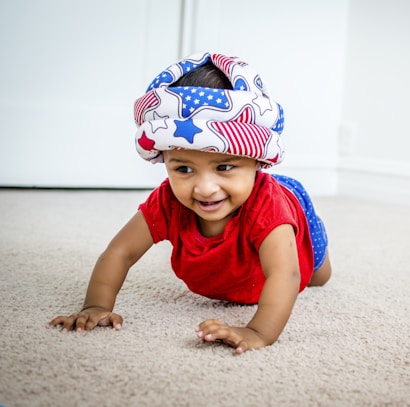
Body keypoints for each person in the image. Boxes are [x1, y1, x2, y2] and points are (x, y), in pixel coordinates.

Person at [49, 51, 331, 354]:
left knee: (317, 275)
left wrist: (257, 332)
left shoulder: (269, 207)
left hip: (292, 210)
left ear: (257, 161)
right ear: (165, 160)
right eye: (183, 169)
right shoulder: (168, 201)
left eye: (224, 167)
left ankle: (317, 254)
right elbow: (121, 251)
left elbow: (284, 274)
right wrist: (96, 305)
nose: (205, 188)